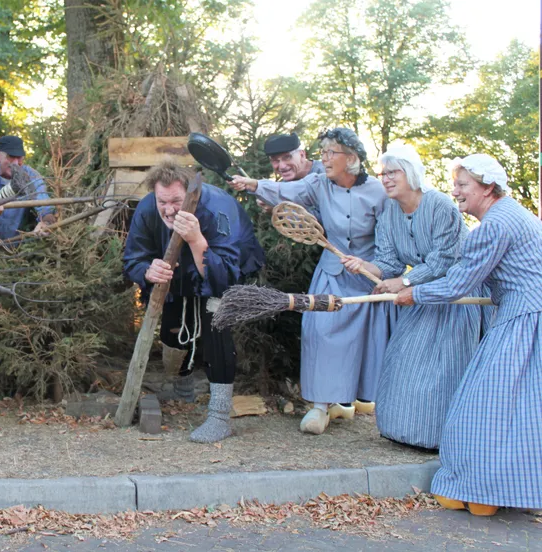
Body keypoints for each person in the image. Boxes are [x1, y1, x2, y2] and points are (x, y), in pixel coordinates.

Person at [395, 154, 542, 516]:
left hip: (523, 320)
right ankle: (511, 489)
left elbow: (459, 283)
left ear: (488, 188)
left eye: (463, 185)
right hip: (526, 313)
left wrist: (414, 293)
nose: (455, 191)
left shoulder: (494, 226)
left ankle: (478, 491)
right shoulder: (516, 215)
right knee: (523, 409)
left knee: (483, 405)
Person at [230, 128, 391, 435]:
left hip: (368, 277)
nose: (324, 159)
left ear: (351, 158)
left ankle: (359, 403)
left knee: (367, 341)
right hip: (331, 273)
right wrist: (253, 185)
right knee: (320, 332)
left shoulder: (378, 192)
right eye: (323, 153)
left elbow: (389, 240)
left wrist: (377, 269)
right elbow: (288, 192)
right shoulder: (319, 184)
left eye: (331, 153)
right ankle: (319, 406)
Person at [341, 145, 482, 450]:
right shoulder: (388, 214)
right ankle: (403, 431)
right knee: (403, 359)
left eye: (393, 173)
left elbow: (445, 259)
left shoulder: (440, 205)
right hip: (419, 296)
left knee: (443, 368)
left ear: (411, 173)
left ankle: (440, 437)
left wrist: (405, 281)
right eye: (383, 174)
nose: (386, 179)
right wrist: (363, 265)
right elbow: (388, 263)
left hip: (454, 296)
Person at [124, 161, 265, 443]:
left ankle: (219, 416)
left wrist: (196, 239)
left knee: (216, 326)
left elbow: (224, 277)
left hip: (222, 270)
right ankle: (184, 388)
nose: (168, 210)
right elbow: (133, 259)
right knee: (172, 330)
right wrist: (147, 270)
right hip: (178, 275)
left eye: (176, 201)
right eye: (162, 201)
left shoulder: (218, 208)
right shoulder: (148, 208)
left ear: (191, 194)